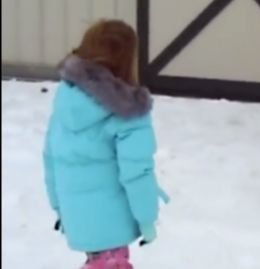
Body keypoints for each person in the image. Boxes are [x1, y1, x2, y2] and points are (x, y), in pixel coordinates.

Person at [43, 19, 168, 269]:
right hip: (113, 222)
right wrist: (146, 219)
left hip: (76, 216)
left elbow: (51, 158)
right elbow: (136, 172)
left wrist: (60, 208)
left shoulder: (67, 98)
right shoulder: (129, 112)